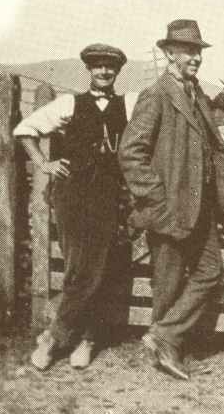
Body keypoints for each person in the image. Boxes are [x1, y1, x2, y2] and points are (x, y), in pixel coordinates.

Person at [118, 19, 224, 380]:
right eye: (189, 51)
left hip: (200, 207)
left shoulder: (193, 92)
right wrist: (156, 200)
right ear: (169, 53)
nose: (196, 58)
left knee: (210, 271)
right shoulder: (156, 95)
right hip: (168, 208)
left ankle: (164, 337)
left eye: (198, 51)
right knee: (167, 282)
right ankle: (167, 352)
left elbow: (202, 123)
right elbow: (130, 152)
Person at [14, 43, 137, 370]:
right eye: (97, 66)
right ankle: (77, 336)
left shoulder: (128, 104)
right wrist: (44, 163)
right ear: (89, 70)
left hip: (109, 197)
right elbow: (25, 130)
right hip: (72, 195)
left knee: (95, 268)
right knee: (79, 268)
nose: (104, 72)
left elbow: (166, 109)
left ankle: (67, 338)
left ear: (118, 71)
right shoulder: (70, 103)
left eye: (110, 67)